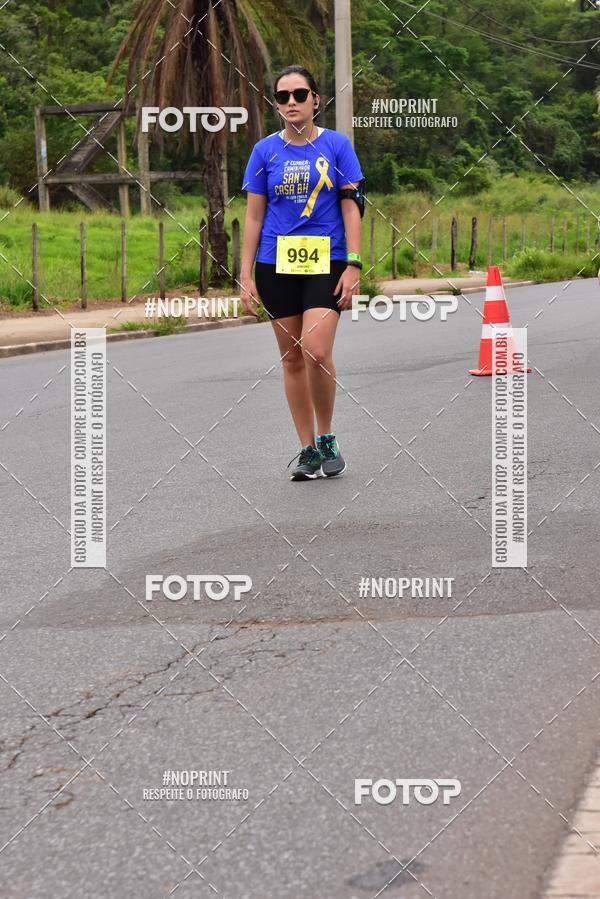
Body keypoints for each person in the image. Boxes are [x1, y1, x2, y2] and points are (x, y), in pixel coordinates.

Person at [240, 64, 365, 481]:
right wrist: (245, 275)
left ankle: (326, 437)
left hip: (326, 261)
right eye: (283, 96)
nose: (291, 102)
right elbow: (254, 217)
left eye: (299, 95)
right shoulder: (264, 152)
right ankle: (307, 449)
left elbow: (352, 205)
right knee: (292, 357)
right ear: (276, 104)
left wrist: (354, 263)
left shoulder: (337, 145)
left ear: (315, 100)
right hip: (275, 263)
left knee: (316, 351)